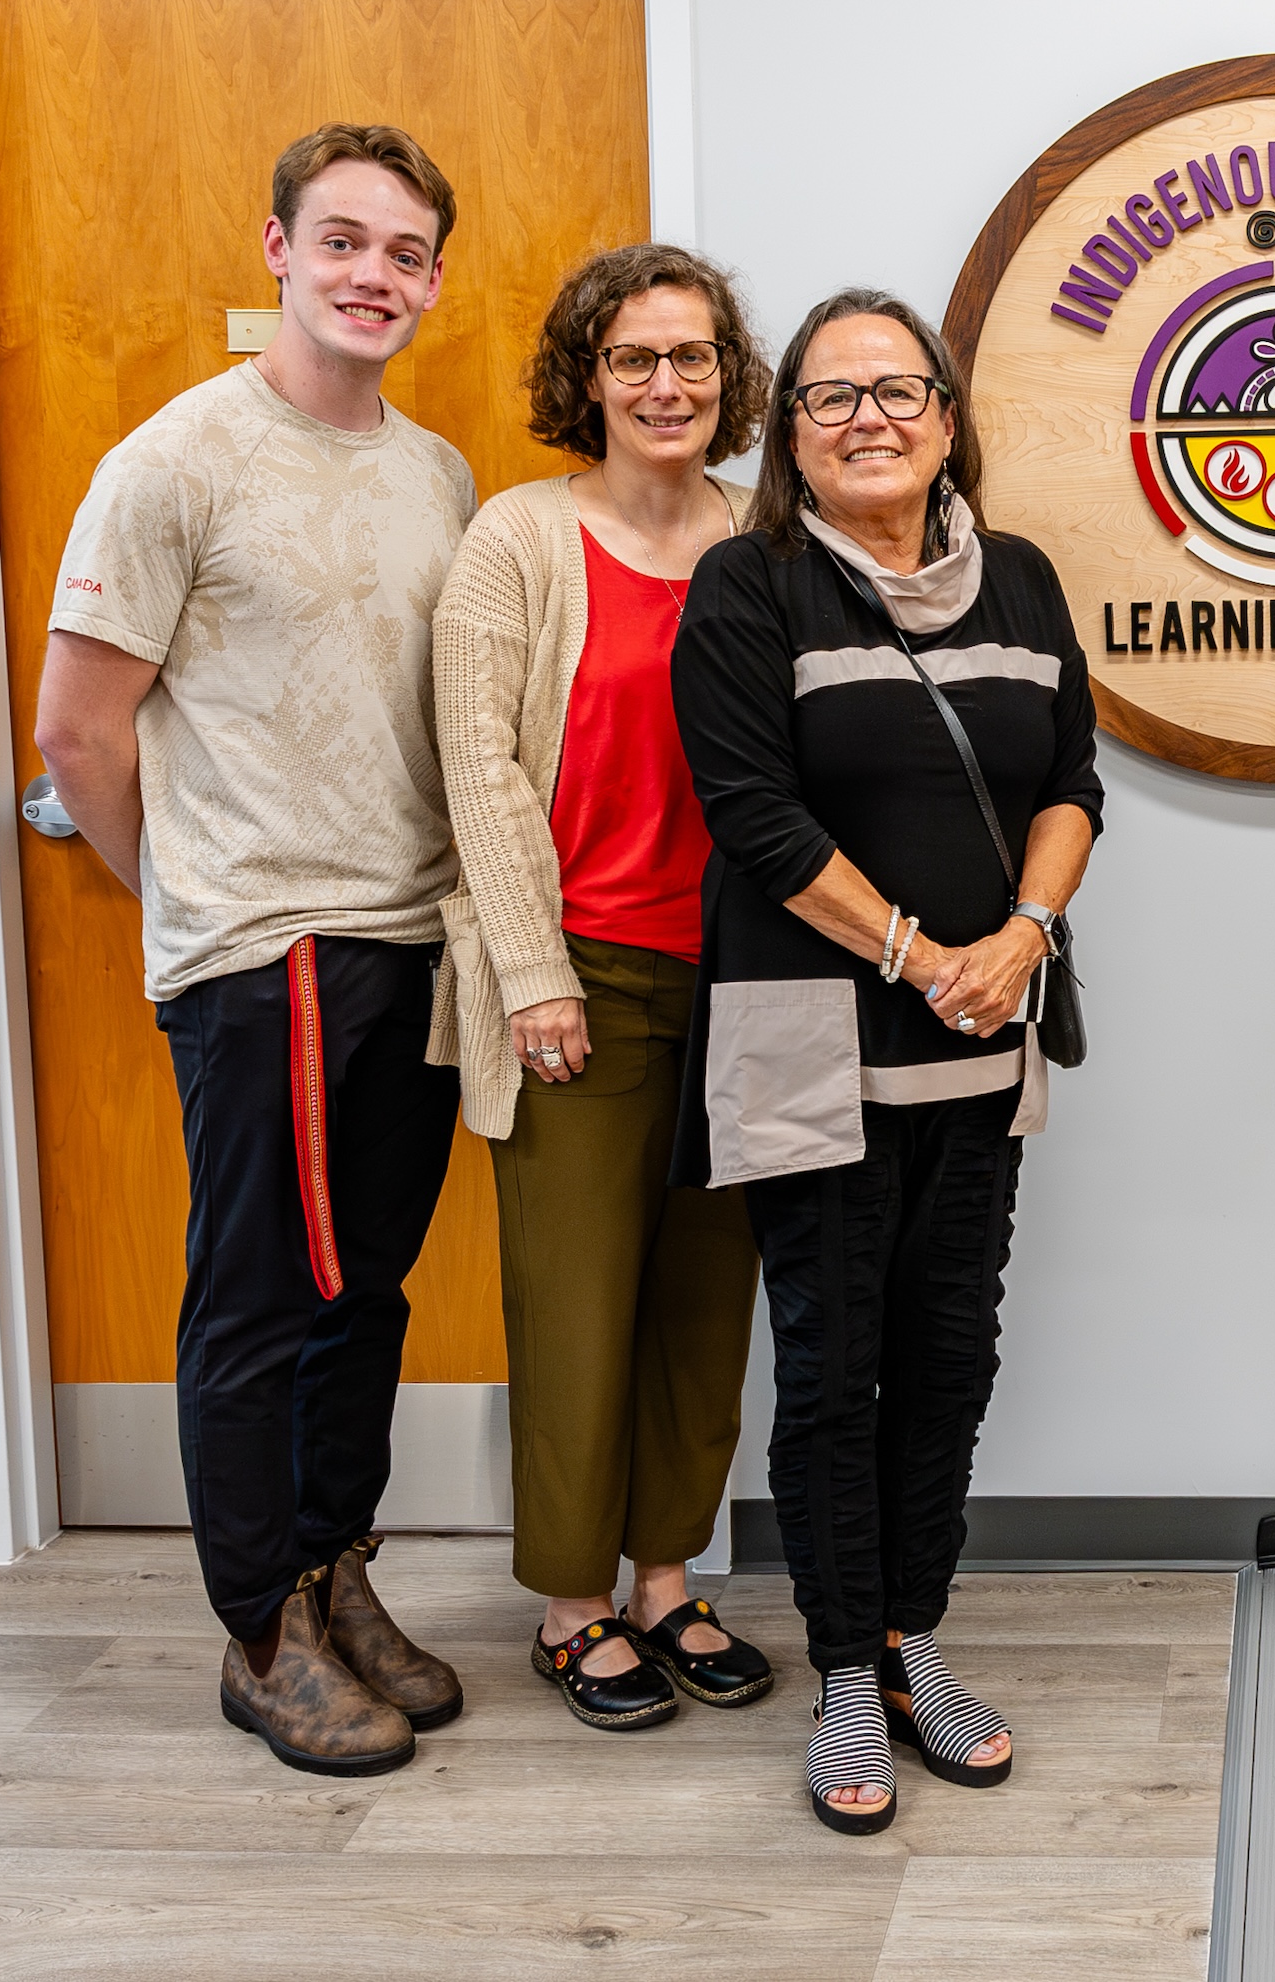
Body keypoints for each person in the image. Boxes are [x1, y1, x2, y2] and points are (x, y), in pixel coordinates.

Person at [31, 123, 475, 1777]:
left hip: (412, 936)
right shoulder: (176, 462)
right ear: (277, 246)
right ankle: (257, 1629)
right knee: (259, 1299)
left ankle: (333, 1566)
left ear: (433, 280)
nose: (375, 274)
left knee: (367, 1291)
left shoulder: (434, 472)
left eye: (407, 252)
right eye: (344, 239)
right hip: (266, 949)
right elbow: (78, 734)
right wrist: (195, 913)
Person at [669, 288, 1102, 1832]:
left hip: (983, 1047)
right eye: (828, 395)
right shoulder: (749, 586)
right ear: (788, 433)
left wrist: (1026, 933)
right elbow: (756, 820)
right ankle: (844, 1665)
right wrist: (923, 956)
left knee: (951, 1357)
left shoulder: (1028, 580)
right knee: (832, 1367)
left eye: (895, 389)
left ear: (943, 413)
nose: (867, 416)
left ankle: (912, 1634)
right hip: (810, 1046)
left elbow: (1070, 780)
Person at [431, 244, 775, 1730]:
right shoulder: (516, 540)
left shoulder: (771, 538)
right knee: (576, 1304)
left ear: (729, 376)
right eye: (633, 358)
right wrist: (531, 971)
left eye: (691, 356)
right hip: (587, 975)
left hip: (758, 978)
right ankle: (573, 1607)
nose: (664, 384)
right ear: (587, 377)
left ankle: (665, 1577)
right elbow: (481, 770)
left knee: (710, 1306)